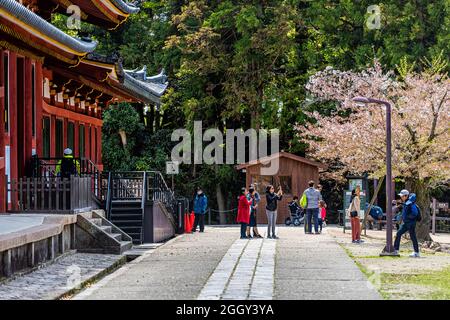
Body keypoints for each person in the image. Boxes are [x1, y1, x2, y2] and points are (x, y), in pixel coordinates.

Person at [394, 190, 420, 258]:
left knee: (402, 234)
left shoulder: (410, 203)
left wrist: (408, 218)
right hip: (408, 223)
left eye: (402, 196)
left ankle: (396, 250)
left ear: (406, 196)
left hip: (410, 223)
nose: (401, 197)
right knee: (409, 236)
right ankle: (396, 250)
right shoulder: (407, 203)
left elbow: (415, 213)